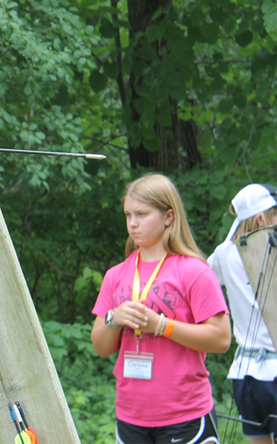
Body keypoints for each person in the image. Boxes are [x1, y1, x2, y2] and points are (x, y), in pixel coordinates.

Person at [91, 173, 231, 444]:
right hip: (131, 416)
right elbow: (101, 348)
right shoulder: (115, 275)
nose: (133, 223)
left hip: (185, 415)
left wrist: (162, 326)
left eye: (142, 214)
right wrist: (114, 319)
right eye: (128, 215)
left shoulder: (194, 271)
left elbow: (221, 338)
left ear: (168, 216)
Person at [208, 184, 277, 444]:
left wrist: (235, 231)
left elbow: (207, 273)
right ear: (261, 218)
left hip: (246, 376)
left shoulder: (225, 253)